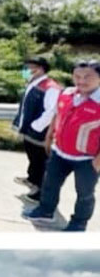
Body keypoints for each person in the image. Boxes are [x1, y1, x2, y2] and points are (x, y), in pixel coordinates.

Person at [23, 60, 100, 231]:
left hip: (87, 158)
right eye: (77, 76)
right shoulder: (67, 93)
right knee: (49, 183)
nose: (81, 81)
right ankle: (45, 211)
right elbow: (58, 115)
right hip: (60, 152)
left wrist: (97, 162)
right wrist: (50, 137)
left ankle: (79, 223)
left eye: (88, 77)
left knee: (84, 194)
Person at [11, 56, 62, 204]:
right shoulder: (34, 82)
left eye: (28, 67)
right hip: (29, 129)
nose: (25, 71)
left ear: (39, 69)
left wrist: (35, 126)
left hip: (39, 132)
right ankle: (32, 179)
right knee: (32, 156)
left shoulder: (50, 87)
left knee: (41, 160)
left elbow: (51, 111)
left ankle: (41, 192)